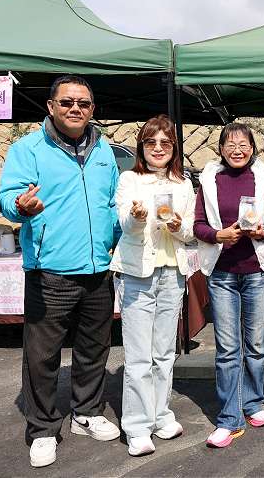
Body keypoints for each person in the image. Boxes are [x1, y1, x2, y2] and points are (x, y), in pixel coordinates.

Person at [0, 75, 121, 468]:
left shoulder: (104, 150)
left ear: (92, 109)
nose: (75, 109)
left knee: (94, 348)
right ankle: (43, 428)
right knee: (42, 356)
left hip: (98, 268)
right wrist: (21, 206)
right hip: (49, 270)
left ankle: (87, 412)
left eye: (83, 103)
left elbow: (113, 202)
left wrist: (117, 238)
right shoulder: (28, 149)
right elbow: (7, 197)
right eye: (67, 102)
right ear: (51, 106)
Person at [110, 115, 195, 456]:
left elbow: (190, 232)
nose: (158, 148)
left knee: (163, 353)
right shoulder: (129, 179)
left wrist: (177, 226)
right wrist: (137, 218)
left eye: (165, 143)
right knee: (138, 355)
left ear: (174, 148)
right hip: (137, 272)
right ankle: (137, 426)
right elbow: (125, 224)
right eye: (151, 142)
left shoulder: (183, 184)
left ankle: (161, 415)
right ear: (141, 147)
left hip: (173, 273)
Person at [193, 123, 264, 448]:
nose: (237, 149)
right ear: (221, 148)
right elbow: (198, 225)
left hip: (256, 271)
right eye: (230, 144)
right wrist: (218, 235)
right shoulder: (209, 179)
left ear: (252, 148)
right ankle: (229, 418)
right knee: (228, 349)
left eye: (243, 144)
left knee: (256, 345)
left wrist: (263, 231)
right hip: (222, 273)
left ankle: (253, 403)